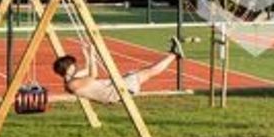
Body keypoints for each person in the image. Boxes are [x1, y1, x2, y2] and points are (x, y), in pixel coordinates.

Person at [52, 36, 183, 103]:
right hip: (114, 92)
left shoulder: (73, 79)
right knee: (149, 72)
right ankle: (174, 54)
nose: (76, 66)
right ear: (68, 68)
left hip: (113, 87)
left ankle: (172, 54)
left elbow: (87, 69)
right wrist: (92, 55)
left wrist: (87, 53)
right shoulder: (72, 84)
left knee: (146, 71)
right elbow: (93, 74)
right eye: (73, 65)